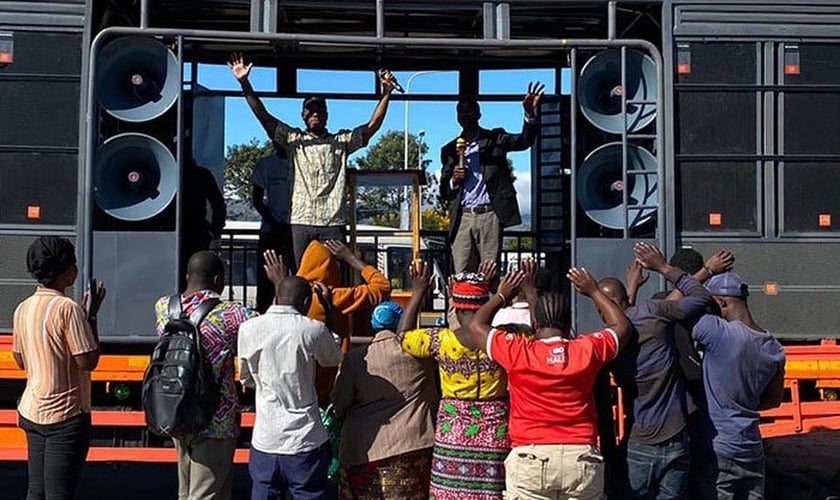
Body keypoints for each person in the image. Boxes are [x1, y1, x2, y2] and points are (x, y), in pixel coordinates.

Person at [468, 261, 632, 499]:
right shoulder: (586, 350)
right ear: (569, 326)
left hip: (530, 458)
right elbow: (621, 326)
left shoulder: (518, 352)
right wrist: (593, 290)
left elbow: (476, 325)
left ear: (534, 323)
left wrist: (502, 295)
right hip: (581, 457)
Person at [229, 53, 399, 267]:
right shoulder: (294, 141)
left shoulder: (341, 142)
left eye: (320, 109)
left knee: (332, 278)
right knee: (301, 277)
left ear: (327, 114)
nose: (315, 114)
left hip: (332, 223)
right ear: (303, 115)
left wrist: (386, 93)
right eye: (310, 110)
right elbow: (263, 115)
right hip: (300, 222)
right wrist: (245, 83)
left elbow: (372, 126)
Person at [599, 242, 714, 500]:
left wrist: (630, 288)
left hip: (639, 441)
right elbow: (701, 297)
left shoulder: (606, 345)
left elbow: (623, 320)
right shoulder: (654, 315)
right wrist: (664, 267)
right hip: (676, 437)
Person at [397, 261, 509, 499]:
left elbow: (403, 337)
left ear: (456, 311)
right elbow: (540, 331)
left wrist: (418, 292)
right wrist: (518, 294)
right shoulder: (503, 340)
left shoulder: (441, 340)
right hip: (495, 431)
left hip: (453, 430)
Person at [154, 251, 257, 500]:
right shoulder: (231, 314)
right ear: (219, 280)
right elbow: (264, 327)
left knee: (187, 492)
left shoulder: (164, 307)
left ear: (188, 276)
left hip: (177, 409)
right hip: (216, 419)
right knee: (206, 494)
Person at [12, 236, 106, 500]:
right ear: (66, 271)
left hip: (31, 410)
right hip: (66, 414)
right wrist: (92, 318)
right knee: (59, 493)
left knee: (36, 492)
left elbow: (20, 360)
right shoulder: (69, 309)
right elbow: (88, 361)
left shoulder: (23, 308)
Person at [238, 270, 343, 500]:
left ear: (276, 298)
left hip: (265, 437)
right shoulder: (311, 329)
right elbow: (334, 357)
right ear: (306, 302)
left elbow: (246, 379)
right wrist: (329, 310)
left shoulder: (248, 328)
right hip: (304, 439)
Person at [692, 272, 785, 500]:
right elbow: (774, 400)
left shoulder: (717, 331)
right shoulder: (774, 348)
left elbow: (672, 309)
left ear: (721, 302)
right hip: (751, 446)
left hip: (719, 445)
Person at [332, 301, 438, 500]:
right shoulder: (421, 355)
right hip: (412, 445)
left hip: (363, 449)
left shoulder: (356, 359)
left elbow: (340, 405)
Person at [439, 82, 544, 274]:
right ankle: (463, 304)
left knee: (489, 271)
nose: (465, 116)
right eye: (461, 112)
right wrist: (454, 180)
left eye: (469, 111)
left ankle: (492, 303)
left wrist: (529, 114)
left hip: (489, 214)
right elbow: (443, 191)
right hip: (463, 216)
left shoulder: (495, 138)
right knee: (461, 271)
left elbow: (524, 141)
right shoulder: (450, 150)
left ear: (478, 115)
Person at [293, 240, 391, 397]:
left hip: (296, 384)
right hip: (329, 381)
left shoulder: (289, 297)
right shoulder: (333, 297)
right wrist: (350, 258)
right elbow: (382, 287)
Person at [251, 147, 294, 313]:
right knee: (266, 279)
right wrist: (275, 223)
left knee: (296, 275)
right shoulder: (265, 164)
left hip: (295, 228)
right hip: (270, 230)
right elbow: (257, 199)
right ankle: (263, 314)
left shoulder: (300, 162)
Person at [181, 161, 227, 282]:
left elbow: (218, 205)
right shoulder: (202, 174)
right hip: (198, 232)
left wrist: (215, 229)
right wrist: (215, 230)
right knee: (198, 274)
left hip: (194, 232)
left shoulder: (201, 174)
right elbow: (218, 204)